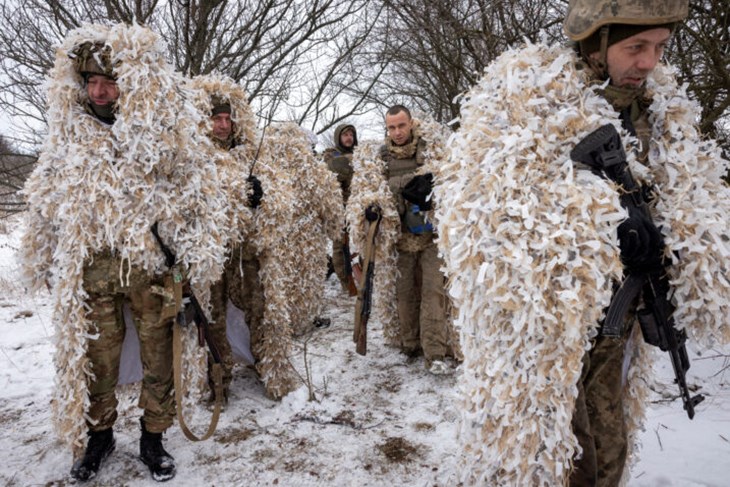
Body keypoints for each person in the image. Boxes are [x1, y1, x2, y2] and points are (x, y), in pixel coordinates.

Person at [435, 0, 730, 485]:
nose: (649, 62)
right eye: (636, 47)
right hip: (548, 332)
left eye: (659, 47)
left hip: (622, 323)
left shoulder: (661, 113)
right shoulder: (525, 100)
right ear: (595, 42)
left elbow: (693, 195)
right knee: (550, 454)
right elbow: (488, 211)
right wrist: (603, 227)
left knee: (607, 445)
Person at [21, 24, 229, 482]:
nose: (98, 90)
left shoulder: (164, 132)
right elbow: (47, 198)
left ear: (127, 83)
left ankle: (153, 439)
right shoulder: (68, 135)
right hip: (94, 269)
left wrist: (191, 250)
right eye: (91, 81)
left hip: (151, 268)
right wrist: (44, 254)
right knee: (97, 360)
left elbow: (197, 193)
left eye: (108, 80)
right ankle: (99, 437)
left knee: (160, 358)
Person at [348, 106, 452, 375]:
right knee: (404, 295)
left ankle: (435, 353)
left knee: (433, 293)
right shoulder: (379, 158)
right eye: (391, 127)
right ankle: (410, 344)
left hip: (431, 238)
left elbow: (451, 180)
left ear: (411, 124)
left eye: (401, 126)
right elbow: (368, 192)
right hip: (399, 242)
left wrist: (430, 189)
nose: (397, 132)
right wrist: (372, 208)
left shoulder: (430, 151)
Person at [323, 124, 358, 293]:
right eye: (345, 134)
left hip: (359, 207)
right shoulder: (331, 154)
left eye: (351, 134)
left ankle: (363, 277)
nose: (349, 137)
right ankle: (346, 282)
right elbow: (335, 168)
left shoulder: (360, 153)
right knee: (340, 246)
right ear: (339, 137)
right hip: (340, 208)